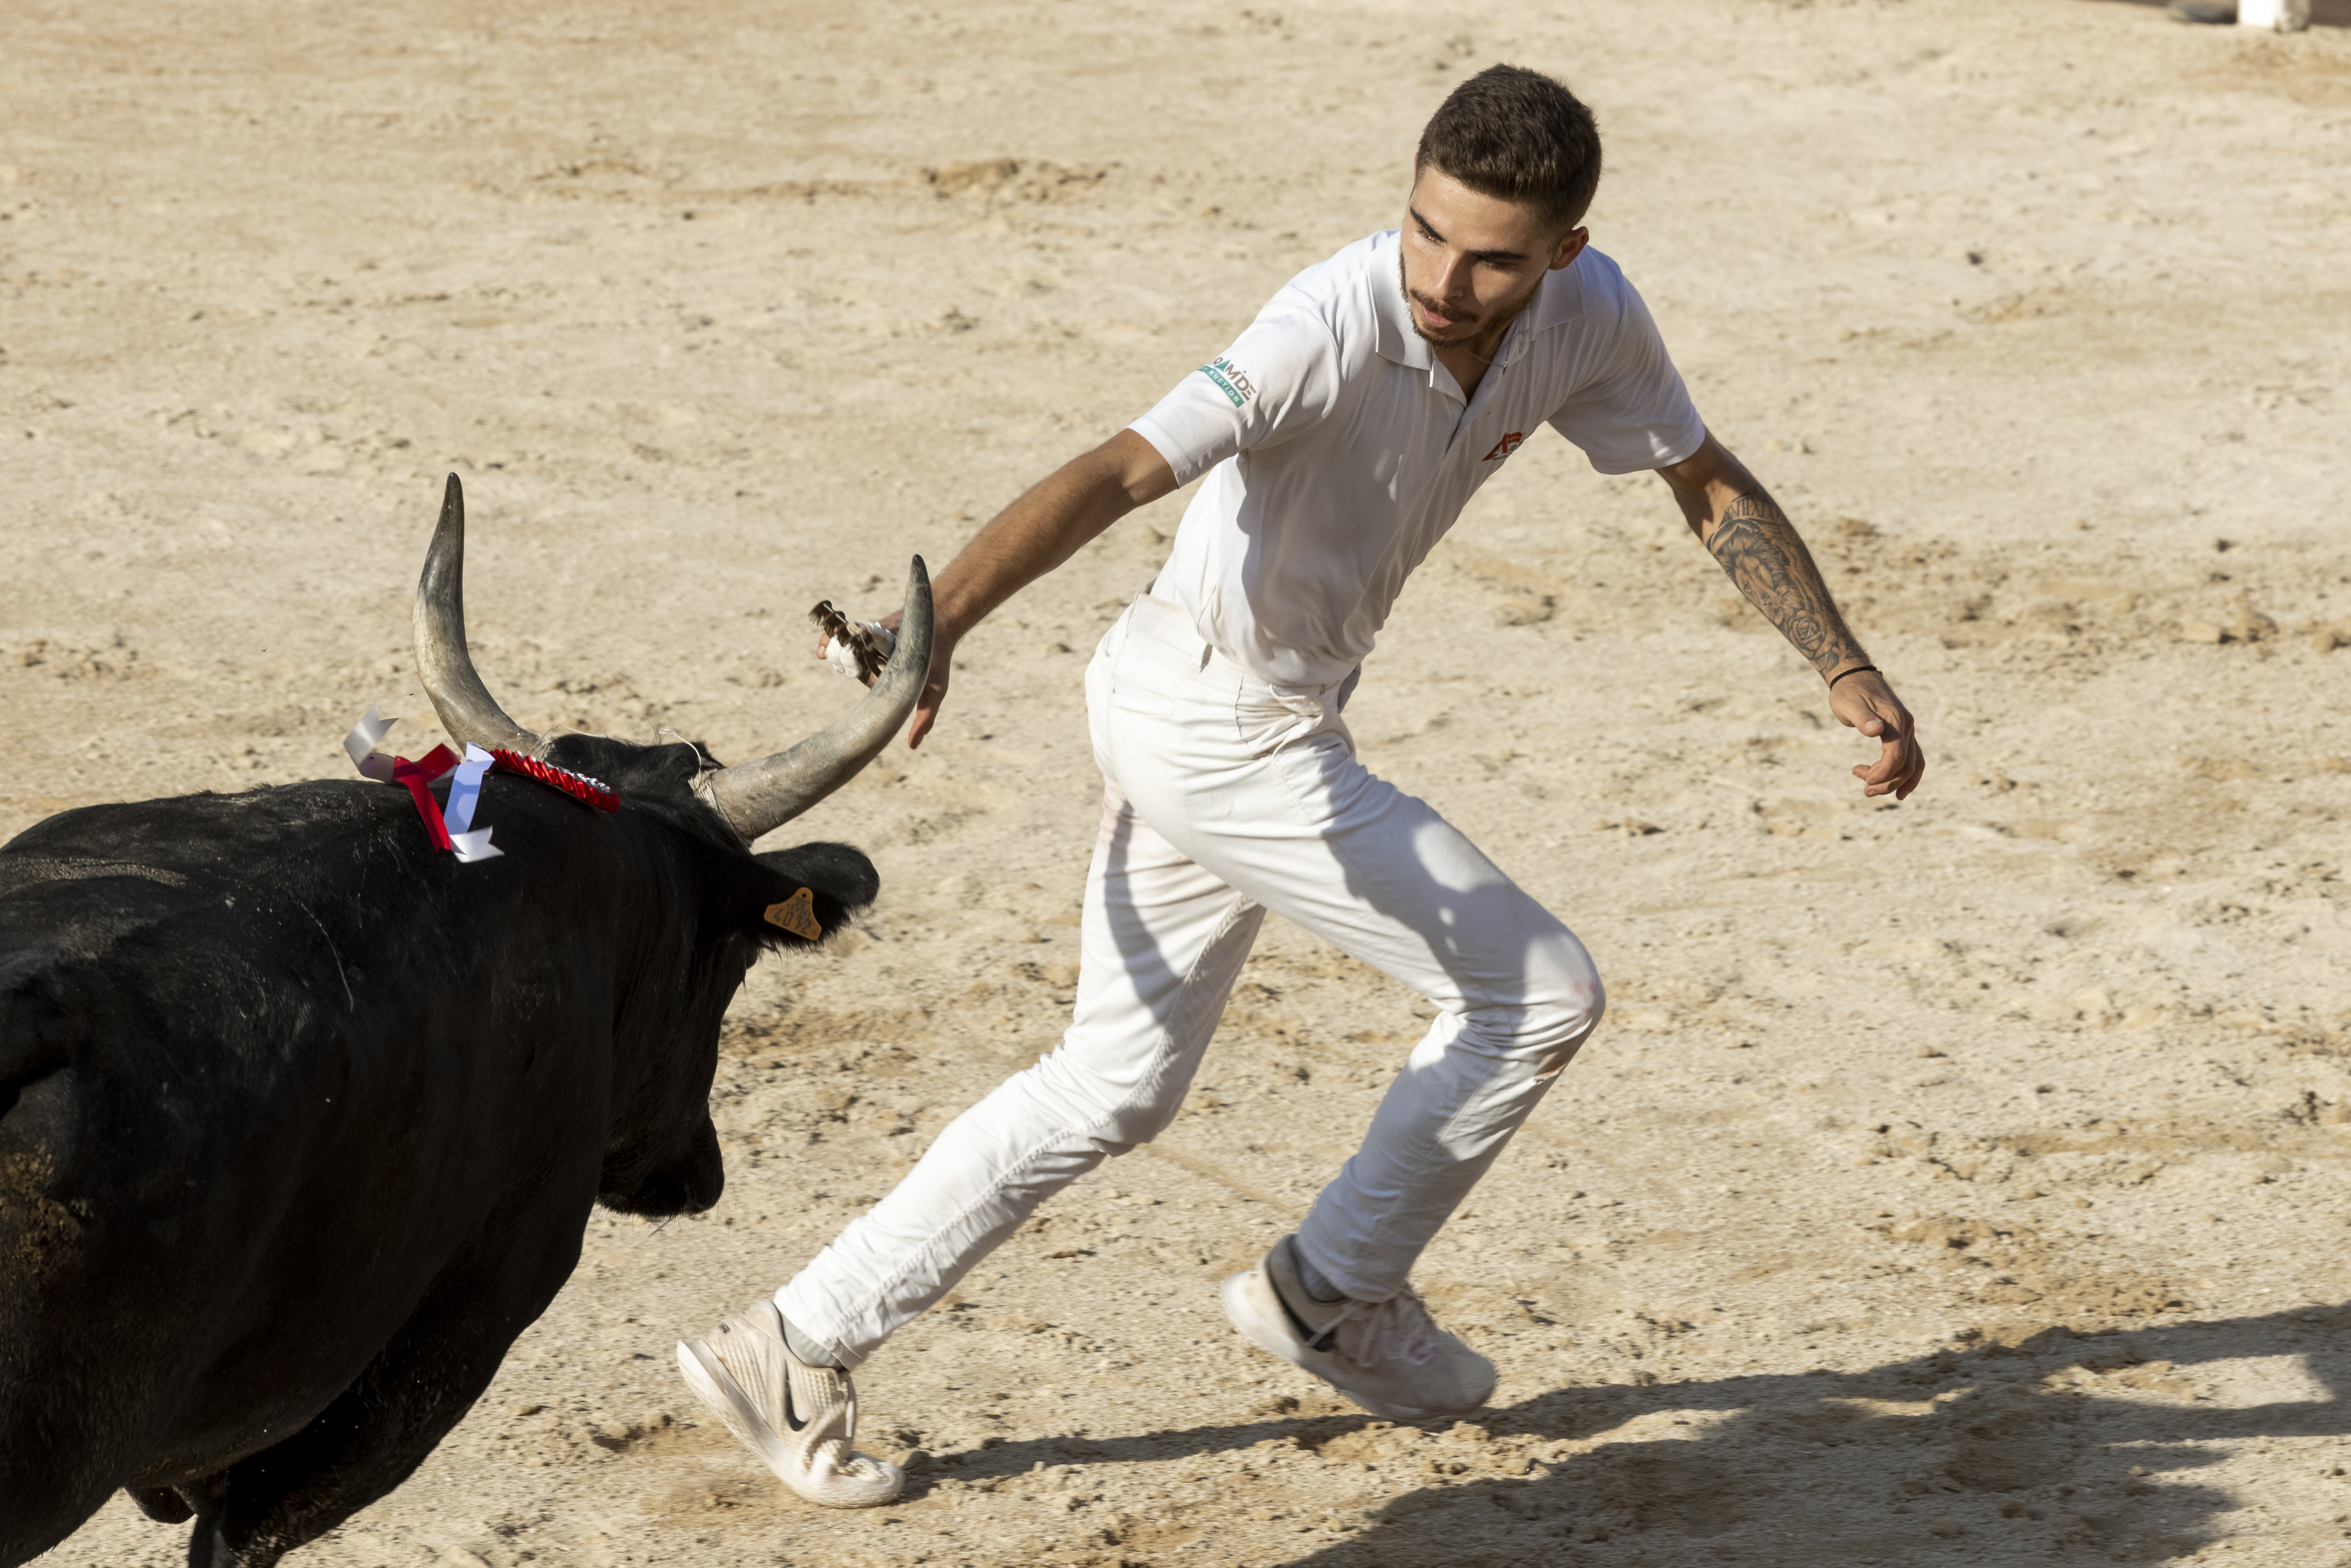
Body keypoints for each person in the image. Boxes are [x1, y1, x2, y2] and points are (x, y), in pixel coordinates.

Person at [677, 63, 1925, 1508]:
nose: (1445, 281)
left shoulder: (1592, 316)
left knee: (1116, 1079)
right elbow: (1118, 470)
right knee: (1537, 990)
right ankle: (1333, 1288)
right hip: (1208, 724)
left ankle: (792, 1341)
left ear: (1564, 253)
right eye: (1424, 232)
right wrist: (932, 629)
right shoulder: (1324, 326)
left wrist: (1843, 665)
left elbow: (1701, 478)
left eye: (1492, 257)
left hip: (1256, 716)